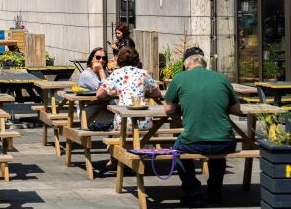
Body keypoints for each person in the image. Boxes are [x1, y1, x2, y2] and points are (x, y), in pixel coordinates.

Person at [164, 47, 239, 206]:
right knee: (218, 147)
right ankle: (214, 192)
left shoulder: (179, 78)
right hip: (225, 141)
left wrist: (183, 108)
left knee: (176, 149)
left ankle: (192, 190)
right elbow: (236, 109)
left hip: (193, 141)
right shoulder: (222, 78)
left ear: (186, 65)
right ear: (204, 64)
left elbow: (169, 109)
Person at [97, 47, 160, 131]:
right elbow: (157, 93)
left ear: (119, 60)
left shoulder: (116, 73)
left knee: (122, 136)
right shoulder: (143, 73)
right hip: (143, 121)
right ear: (136, 59)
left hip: (123, 121)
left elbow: (99, 94)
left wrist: (113, 92)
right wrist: (143, 92)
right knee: (142, 139)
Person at [78, 47, 114, 130]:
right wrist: (101, 71)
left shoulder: (105, 74)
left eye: (104, 58)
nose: (101, 60)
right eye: (98, 57)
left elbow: (113, 88)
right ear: (91, 59)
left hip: (103, 108)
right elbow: (104, 91)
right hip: (88, 112)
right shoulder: (87, 74)